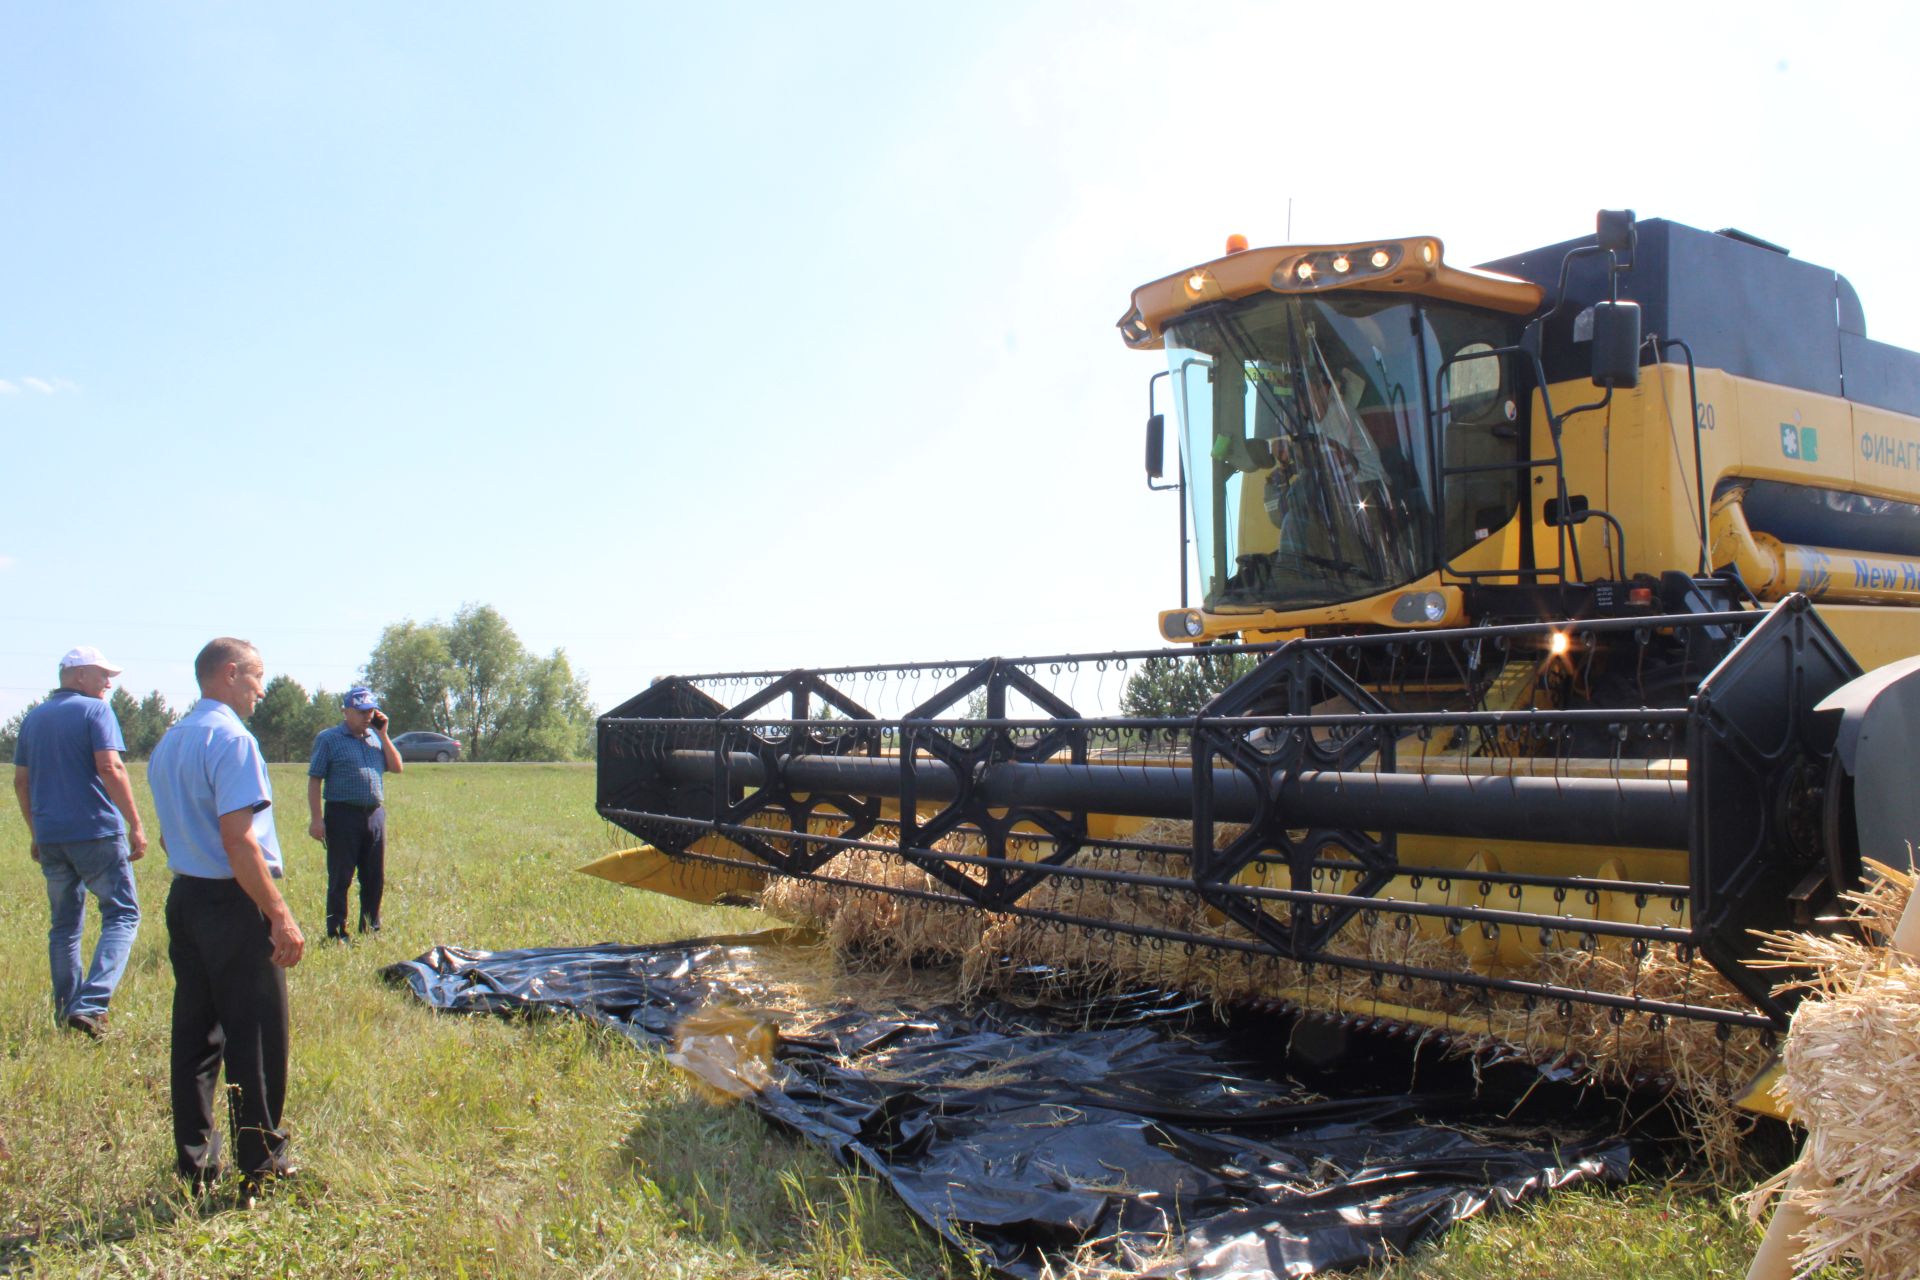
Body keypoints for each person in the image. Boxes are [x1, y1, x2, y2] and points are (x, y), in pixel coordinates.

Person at [148, 637, 304, 1194]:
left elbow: (170, 830)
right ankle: (262, 1160)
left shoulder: (171, 742)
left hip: (186, 897)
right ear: (231, 673)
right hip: (232, 902)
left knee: (195, 1034)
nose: (263, 689)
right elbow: (240, 842)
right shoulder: (232, 740)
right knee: (257, 1035)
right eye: (258, 677)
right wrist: (278, 914)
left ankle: (196, 1161)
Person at [10, 646, 148, 1038]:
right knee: (122, 914)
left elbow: (21, 781)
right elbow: (110, 766)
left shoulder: (34, 718)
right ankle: (90, 1004)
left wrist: (37, 834)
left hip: (52, 837)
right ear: (77, 675)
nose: (108, 682)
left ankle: (66, 1011)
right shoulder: (96, 711)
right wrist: (135, 823)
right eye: (102, 674)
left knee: (64, 926)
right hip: (96, 832)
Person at [306, 686, 402, 940]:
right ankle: (336, 932)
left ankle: (370, 927)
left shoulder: (375, 738)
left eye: (370, 710)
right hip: (342, 815)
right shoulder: (329, 739)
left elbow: (397, 767)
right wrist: (317, 819)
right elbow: (315, 779)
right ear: (345, 711)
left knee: (374, 877)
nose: (366, 716)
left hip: (374, 815)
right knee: (341, 877)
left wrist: (384, 735)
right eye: (360, 711)